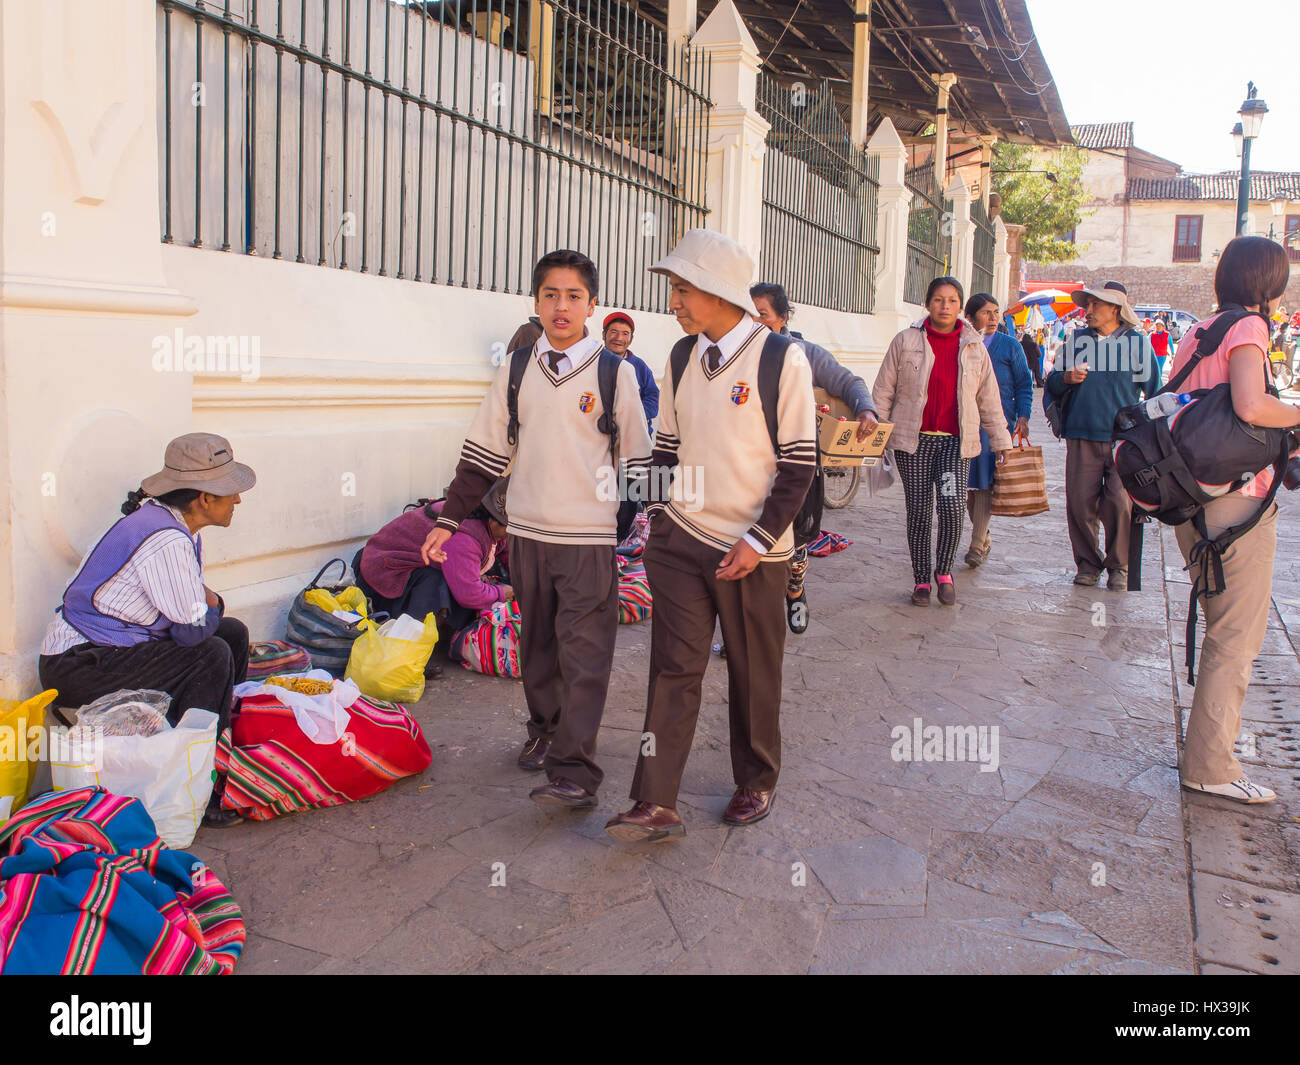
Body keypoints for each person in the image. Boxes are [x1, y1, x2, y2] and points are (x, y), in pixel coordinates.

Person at [605, 229, 816, 842]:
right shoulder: (678, 358)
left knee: (754, 671)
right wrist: (650, 516)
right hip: (680, 542)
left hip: (755, 548)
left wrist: (756, 540)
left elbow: (799, 464)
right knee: (672, 668)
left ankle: (757, 779)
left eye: (682, 288)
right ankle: (655, 799)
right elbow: (667, 449)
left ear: (719, 291)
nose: (673, 301)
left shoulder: (780, 358)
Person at [420, 249, 652, 809]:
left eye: (574, 296)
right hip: (526, 536)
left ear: (592, 305)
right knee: (539, 648)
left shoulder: (613, 373)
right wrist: (448, 519)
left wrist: (655, 532)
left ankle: (575, 771)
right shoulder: (518, 369)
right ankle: (544, 729)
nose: (562, 306)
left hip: (587, 542)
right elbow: (483, 452)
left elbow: (640, 466)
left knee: (586, 653)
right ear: (536, 302)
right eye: (551, 295)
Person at [37, 433, 256, 828]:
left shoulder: (173, 526)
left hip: (113, 649)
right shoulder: (165, 538)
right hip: (80, 663)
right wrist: (213, 603)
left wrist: (210, 607)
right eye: (230, 492)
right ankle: (200, 785)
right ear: (204, 497)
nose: (237, 500)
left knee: (232, 634)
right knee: (211, 653)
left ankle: (216, 755)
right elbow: (191, 632)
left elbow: (190, 616)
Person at [1172, 237, 1300, 804]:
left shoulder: (1200, 330)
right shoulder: (1248, 330)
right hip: (1237, 502)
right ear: (1266, 280)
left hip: (1193, 499)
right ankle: (1212, 766)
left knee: (1224, 626)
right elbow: (1250, 406)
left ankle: (1206, 751)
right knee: (1236, 637)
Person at [871, 276, 1012, 606]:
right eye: (938, 299)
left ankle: (944, 572)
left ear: (961, 307)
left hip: (954, 445)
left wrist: (1001, 440)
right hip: (913, 442)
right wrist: (875, 430)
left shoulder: (974, 347)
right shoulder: (905, 341)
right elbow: (884, 390)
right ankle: (921, 580)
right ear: (927, 304)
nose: (944, 306)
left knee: (951, 509)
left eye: (951, 300)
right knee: (919, 511)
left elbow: (988, 398)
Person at [750, 281, 879, 634]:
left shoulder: (803, 353)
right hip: (748, 468)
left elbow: (848, 382)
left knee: (794, 540)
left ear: (781, 318)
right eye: (749, 313)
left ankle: (795, 588)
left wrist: (865, 410)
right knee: (751, 544)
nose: (754, 321)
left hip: (797, 467)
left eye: (762, 314)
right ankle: (746, 624)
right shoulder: (735, 355)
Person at [1045, 280, 1160, 588]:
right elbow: (1052, 385)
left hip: (1125, 441)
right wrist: (1066, 377)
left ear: (1116, 309)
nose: (1088, 310)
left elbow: (1154, 394)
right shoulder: (1076, 340)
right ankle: (1087, 564)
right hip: (1082, 434)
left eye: (1096, 304)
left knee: (1120, 503)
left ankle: (1119, 567)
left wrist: (1150, 438)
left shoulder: (1138, 345)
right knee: (1080, 503)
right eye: (1088, 304)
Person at [353, 479, 511, 640]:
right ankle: (413, 641)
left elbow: (510, 557)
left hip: (408, 566)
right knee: (439, 585)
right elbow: (470, 594)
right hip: (383, 576)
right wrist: (504, 593)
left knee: (475, 582)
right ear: (492, 520)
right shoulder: (466, 537)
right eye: (509, 527)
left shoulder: (492, 529)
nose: (511, 533)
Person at [963, 293, 1033, 568]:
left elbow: (1024, 384)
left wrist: (1023, 416)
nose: (993, 318)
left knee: (984, 483)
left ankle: (977, 543)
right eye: (986, 312)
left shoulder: (1009, 346)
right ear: (970, 317)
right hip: (965, 422)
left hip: (995, 423)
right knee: (967, 486)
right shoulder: (963, 344)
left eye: (996, 312)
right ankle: (984, 533)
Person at [601, 312, 660, 430]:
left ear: (631, 339)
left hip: (634, 434)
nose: (619, 338)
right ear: (604, 335)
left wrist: (632, 415)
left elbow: (654, 399)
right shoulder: (593, 362)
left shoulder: (640, 367)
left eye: (625, 334)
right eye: (613, 332)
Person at [1150, 316, 1173, 382]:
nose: (1158, 327)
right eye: (1157, 326)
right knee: (1153, 368)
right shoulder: (1152, 334)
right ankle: (1154, 381)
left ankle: (1158, 381)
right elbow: (1147, 343)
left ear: (1163, 327)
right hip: (1153, 354)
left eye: (1160, 326)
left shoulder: (1167, 334)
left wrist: (1173, 354)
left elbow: (1171, 345)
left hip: (1162, 355)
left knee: (1159, 368)